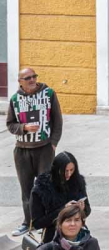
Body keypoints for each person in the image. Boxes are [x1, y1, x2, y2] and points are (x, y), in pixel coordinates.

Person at [8, 67, 63, 235]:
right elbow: (10, 124)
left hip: (44, 149)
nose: (32, 80)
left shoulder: (48, 94)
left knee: (45, 187)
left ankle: (46, 223)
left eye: (34, 76)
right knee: (27, 190)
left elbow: (57, 120)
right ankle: (29, 222)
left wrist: (53, 143)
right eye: (27, 78)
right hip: (22, 150)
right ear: (20, 81)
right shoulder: (15, 99)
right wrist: (24, 128)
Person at [30, 152, 90, 245]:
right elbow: (37, 223)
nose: (69, 174)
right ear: (56, 169)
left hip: (78, 236)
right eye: (65, 171)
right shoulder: (41, 189)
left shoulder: (78, 182)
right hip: (53, 238)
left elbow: (87, 210)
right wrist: (63, 210)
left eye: (72, 170)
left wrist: (81, 210)